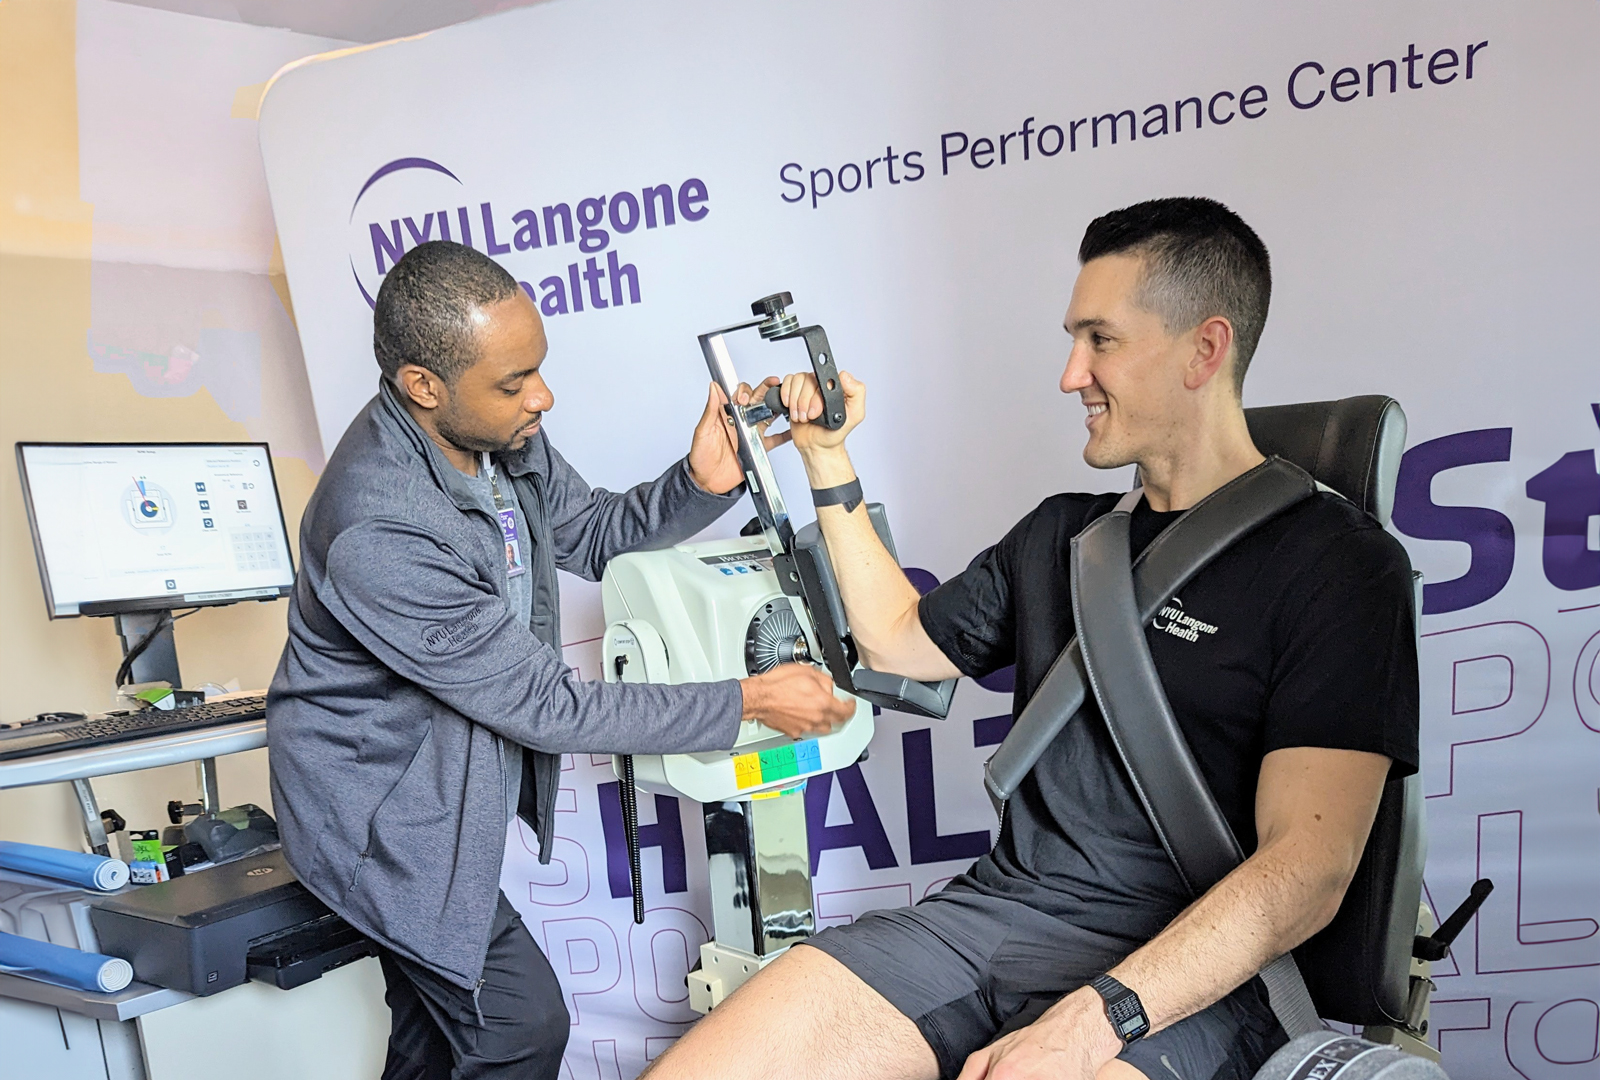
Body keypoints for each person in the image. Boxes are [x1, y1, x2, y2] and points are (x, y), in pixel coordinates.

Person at [644, 198, 1419, 1080]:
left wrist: (1097, 1020)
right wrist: (827, 457)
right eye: (1072, 339)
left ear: (1205, 349)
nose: (1069, 374)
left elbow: (1308, 868)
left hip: (1202, 972)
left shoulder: (1339, 565)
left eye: (1102, 341)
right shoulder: (1064, 538)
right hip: (998, 920)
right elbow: (899, 645)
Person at [267, 240, 853, 1080]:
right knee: (517, 1028)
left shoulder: (495, 434)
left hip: (439, 790)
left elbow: (593, 533)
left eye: (536, 370)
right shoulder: (380, 531)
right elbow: (552, 707)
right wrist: (751, 702)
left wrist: (700, 477)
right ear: (422, 384)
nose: (543, 396)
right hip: (376, 824)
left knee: (433, 1045)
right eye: (514, 383)